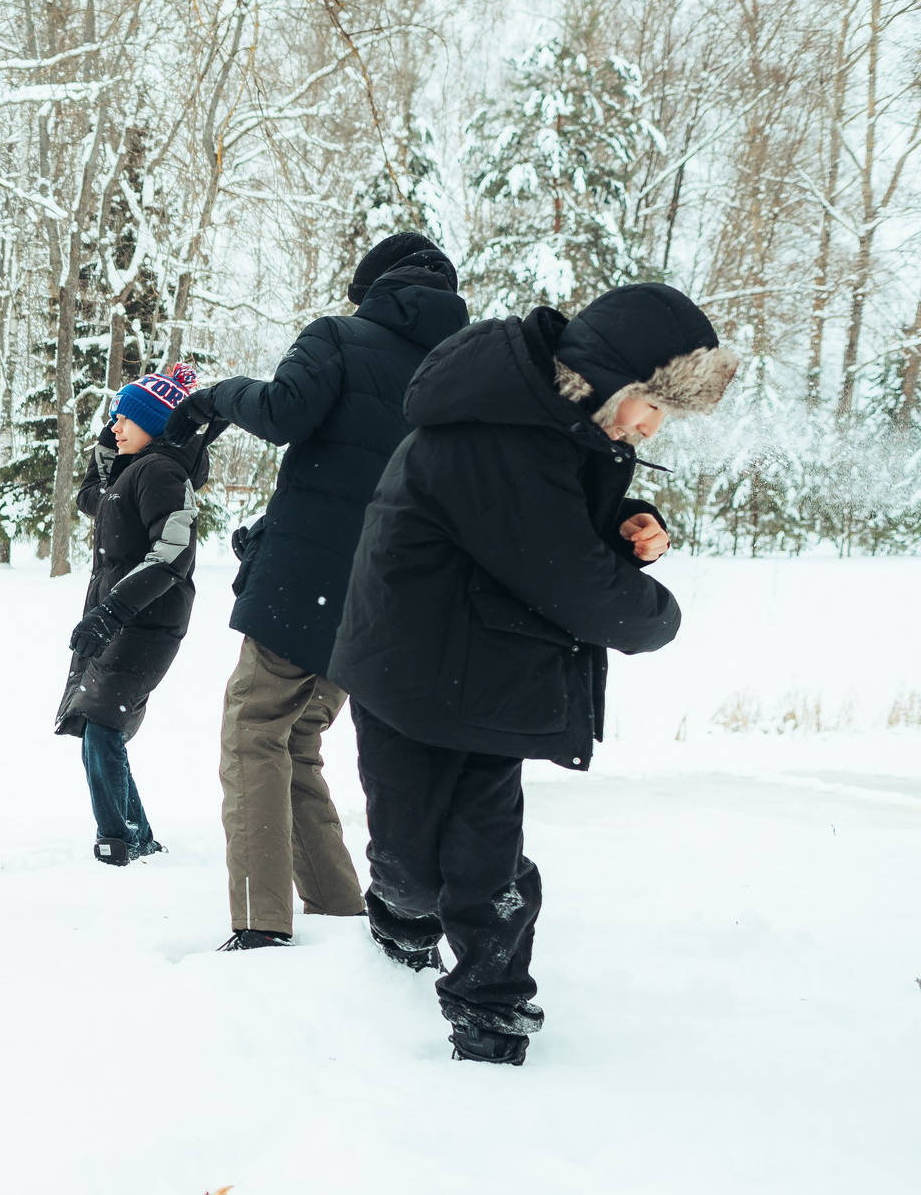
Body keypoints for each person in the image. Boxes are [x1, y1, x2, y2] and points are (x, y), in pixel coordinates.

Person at [329, 284, 731, 1065]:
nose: (651, 426)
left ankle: (493, 1008)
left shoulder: (553, 420)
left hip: (493, 678)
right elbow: (561, 569)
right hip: (410, 672)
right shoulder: (499, 433)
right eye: (651, 404)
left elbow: (550, 523)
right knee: (411, 866)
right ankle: (400, 916)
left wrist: (623, 523)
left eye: (663, 415)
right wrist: (656, 615)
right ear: (609, 375)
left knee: (484, 859)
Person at [163, 233, 469, 950]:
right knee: (298, 736)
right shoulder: (457, 371)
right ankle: (336, 907)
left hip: (309, 582)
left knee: (254, 727)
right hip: (391, 597)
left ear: (372, 291)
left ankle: (259, 921)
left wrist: (215, 397)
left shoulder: (338, 336)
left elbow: (283, 412)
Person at [55, 364, 221, 868]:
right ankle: (135, 837)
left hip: (147, 621)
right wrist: (111, 439)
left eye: (126, 419)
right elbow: (93, 496)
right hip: (123, 616)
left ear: (155, 424)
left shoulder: (162, 473)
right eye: (115, 418)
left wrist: (111, 612)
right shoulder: (136, 471)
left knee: (102, 721)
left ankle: (120, 842)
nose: (115, 426)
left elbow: (172, 554)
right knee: (96, 721)